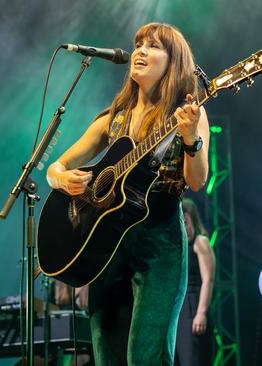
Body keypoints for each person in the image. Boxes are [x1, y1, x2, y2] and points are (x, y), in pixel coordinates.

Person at [45, 22, 210, 366]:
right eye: (138, 45)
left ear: (173, 61)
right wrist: (62, 179)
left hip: (159, 243)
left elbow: (196, 182)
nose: (140, 51)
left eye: (152, 46)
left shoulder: (188, 114)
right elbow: (55, 167)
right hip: (106, 244)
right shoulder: (114, 118)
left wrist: (191, 138)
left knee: (146, 356)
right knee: (107, 356)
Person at [175, 198, 215, 365]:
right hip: (179, 307)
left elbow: (208, 280)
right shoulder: (180, 246)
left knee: (191, 359)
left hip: (193, 305)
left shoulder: (201, 242)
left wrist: (201, 313)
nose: (183, 224)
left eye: (186, 220)